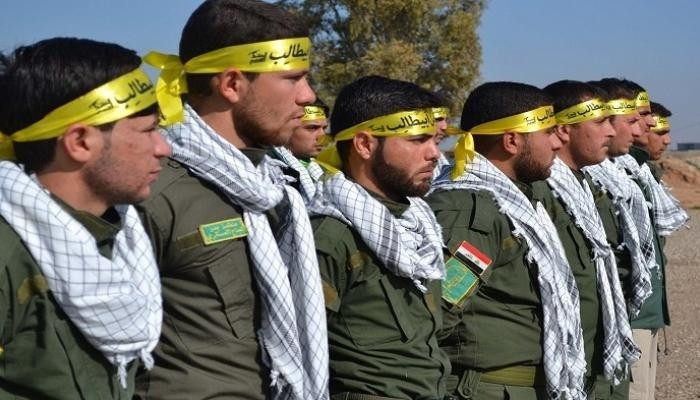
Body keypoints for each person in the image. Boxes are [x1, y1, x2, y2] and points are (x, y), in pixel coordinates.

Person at [135, 1, 328, 399]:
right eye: (293, 78)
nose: (308, 95)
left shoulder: (275, 188)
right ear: (232, 84)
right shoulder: (153, 192)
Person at [0, 37, 169, 399]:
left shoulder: (120, 235)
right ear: (79, 142)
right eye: (148, 131)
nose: (163, 148)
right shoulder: (8, 255)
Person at [429, 81, 587, 400]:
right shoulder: (472, 209)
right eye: (548, 132)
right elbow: (439, 311)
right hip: (489, 389)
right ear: (512, 141)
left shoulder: (514, 201)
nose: (559, 142)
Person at [310, 75, 450, 399]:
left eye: (434, 140)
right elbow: (297, 350)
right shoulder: (331, 236)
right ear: (365, 145)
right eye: (417, 140)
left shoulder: (418, 225)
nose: (434, 153)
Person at [541, 80, 641, 400]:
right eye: (600, 122)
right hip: (565, 366)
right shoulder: (542, 196)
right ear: (564, 130)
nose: (611, 132)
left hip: (596, 354)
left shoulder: (584, 186)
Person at [272, 100, 329, 203]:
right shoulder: (269, 174)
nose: (322, 137)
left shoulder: (327, 174)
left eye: (324, 128)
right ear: (285, 129)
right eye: (312, 128)